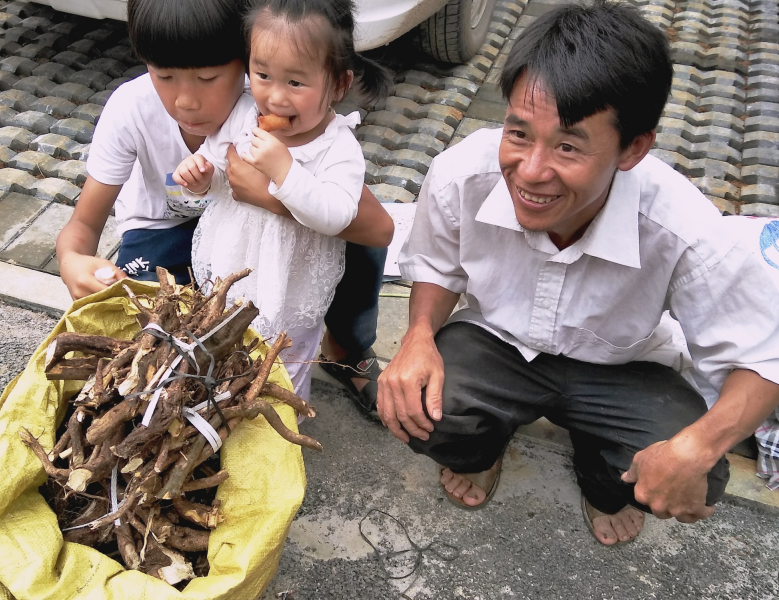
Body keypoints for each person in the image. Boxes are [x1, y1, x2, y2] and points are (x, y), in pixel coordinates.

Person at [377, 0, 779, 546]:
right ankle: (483, 449)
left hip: (623, 366)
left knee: (699, 476)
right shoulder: (460, 175)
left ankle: (599, 476)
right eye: (518, 133)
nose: (531, 170)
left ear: (632, 149)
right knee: (420, 406)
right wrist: (418, 336)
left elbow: (762, 356)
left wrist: (698, 445)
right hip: (498, 343)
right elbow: (435, 263)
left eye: (568, 145)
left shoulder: (684, 228)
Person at [55, 0, 393, 406]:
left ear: (243, 64)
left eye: (208, 77)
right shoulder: (132, 109)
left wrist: (269, 196)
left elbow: (377, 228)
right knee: (155, 345)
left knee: (343, 263)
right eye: (163, 75)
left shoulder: (274, 98)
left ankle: (345, 348)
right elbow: (83, 226)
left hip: (278, 232)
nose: (185, 102)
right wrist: (72, 259)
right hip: (167, 233)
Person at [172, 0, 392, 398]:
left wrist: (284, 171)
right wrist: (199, 178)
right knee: (221, 334)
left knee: (288, 353)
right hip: (234, 259)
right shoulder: (242, 113)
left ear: (338, 85)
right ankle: (218, 404)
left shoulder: (337, 147)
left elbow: (338, 214)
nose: (274, 97)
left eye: (295, 82)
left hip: (295, 276)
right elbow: (216, 163)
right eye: (262, 75)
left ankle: (282, 418)